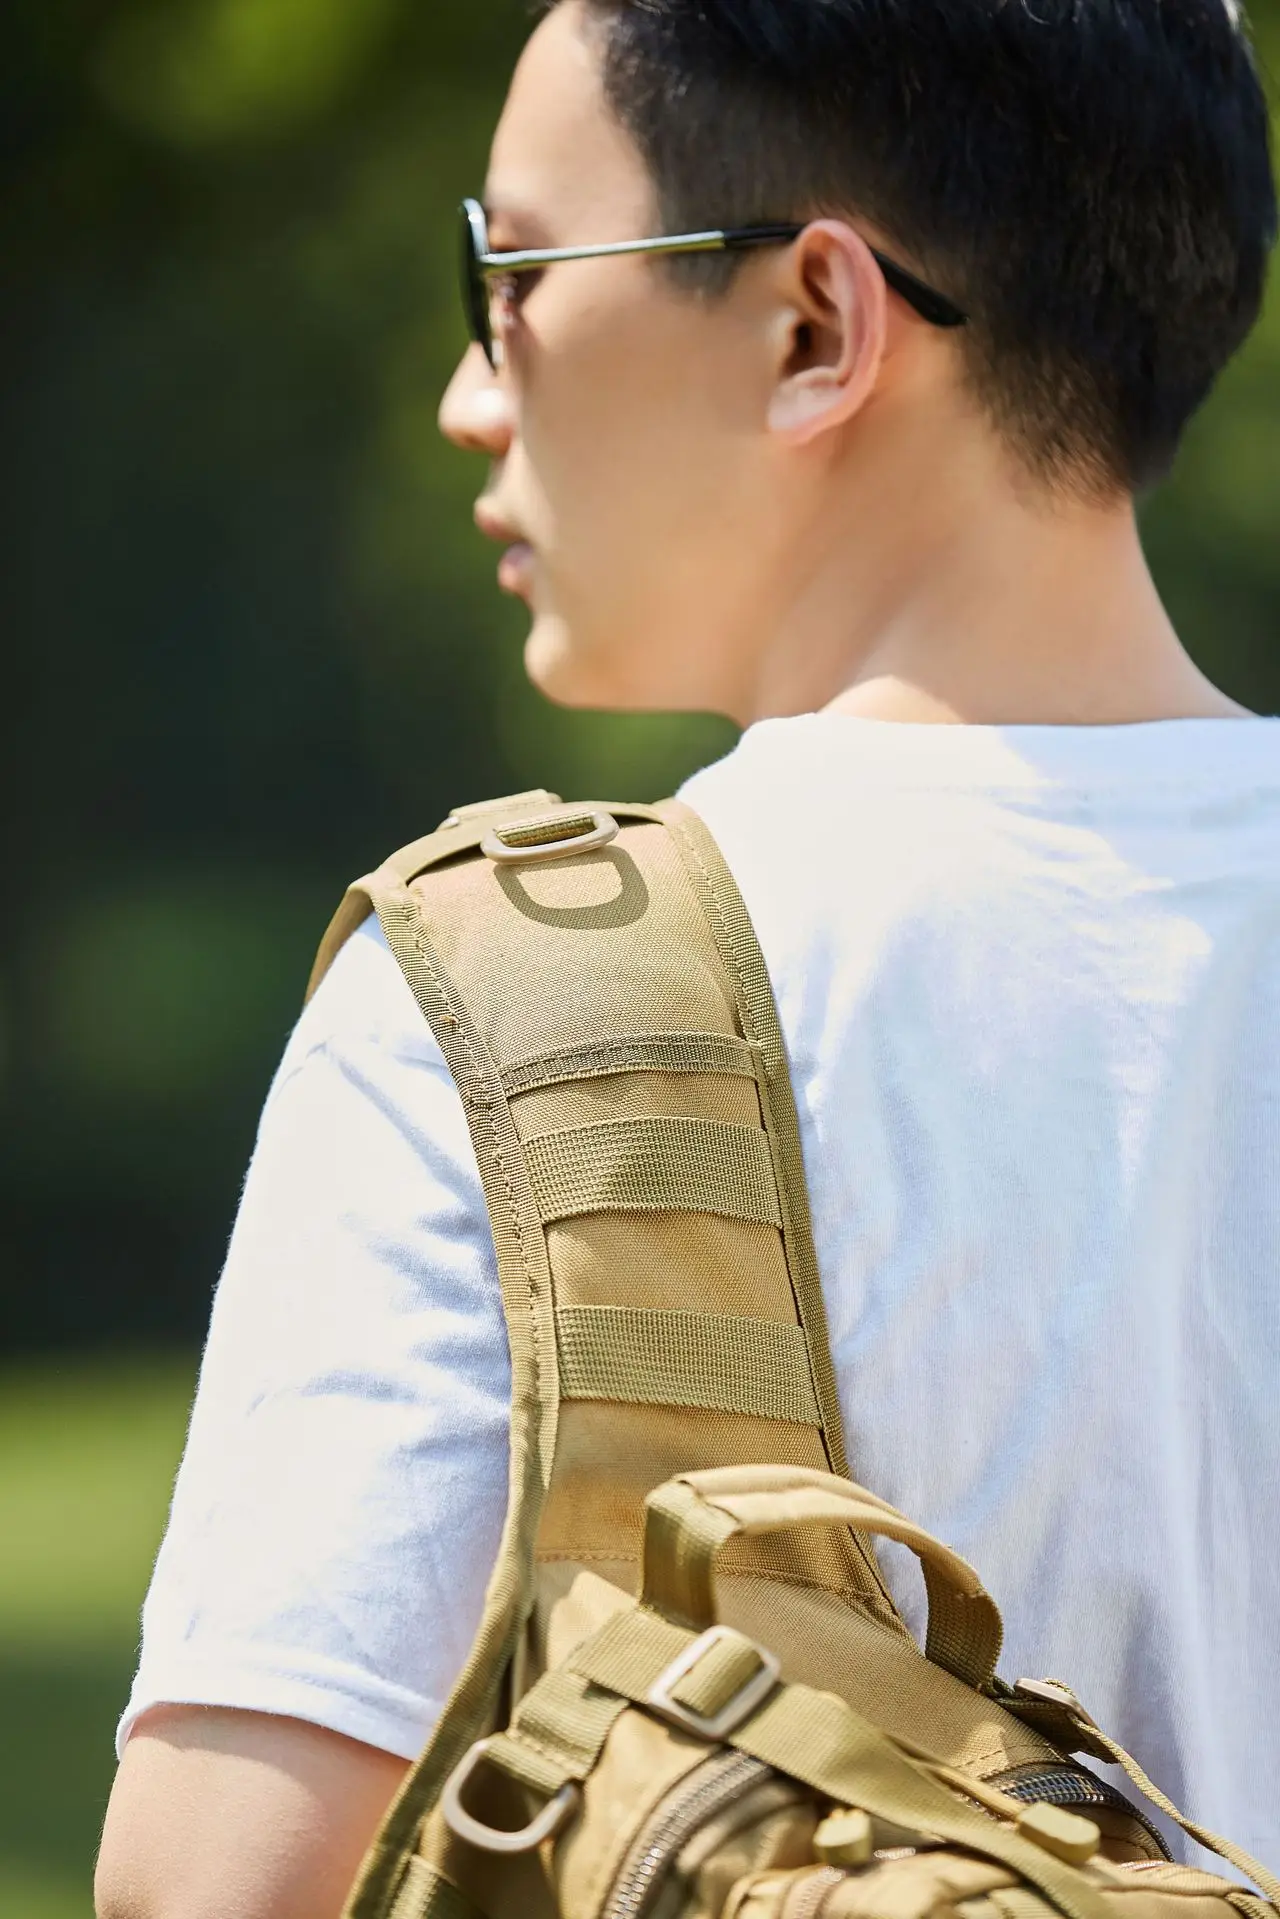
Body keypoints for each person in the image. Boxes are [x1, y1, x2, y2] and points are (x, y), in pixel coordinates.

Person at [95, 1, 1280, 1914]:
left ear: (814, 325)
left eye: (510, 276)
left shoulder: (524, 1003)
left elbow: (216, 1886)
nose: (470, 391)